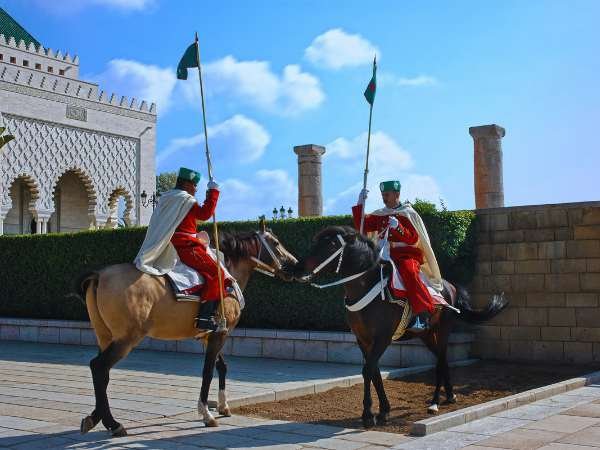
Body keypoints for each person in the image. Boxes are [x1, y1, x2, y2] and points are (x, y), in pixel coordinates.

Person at [134, 167, 230, 332]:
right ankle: (204, 318)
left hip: (169, 242)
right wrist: (213, 193)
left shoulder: (166, 198)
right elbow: (205, 214)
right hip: (185, 245)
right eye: (194, 185)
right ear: (186, 184)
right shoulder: (186, 200)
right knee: (217, 273)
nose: (196, 189)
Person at [351, 180, 444, 330]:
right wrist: (360, 204)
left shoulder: (408, 213)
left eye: (387, 195)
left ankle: (422, 315)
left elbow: (413, 239)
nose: (384, 198)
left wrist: (398, 227)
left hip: (405, 255)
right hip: (383, 255)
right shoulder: (380, 214)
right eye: (383, 195)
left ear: (397, 194)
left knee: (409, 271)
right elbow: (362, 225)